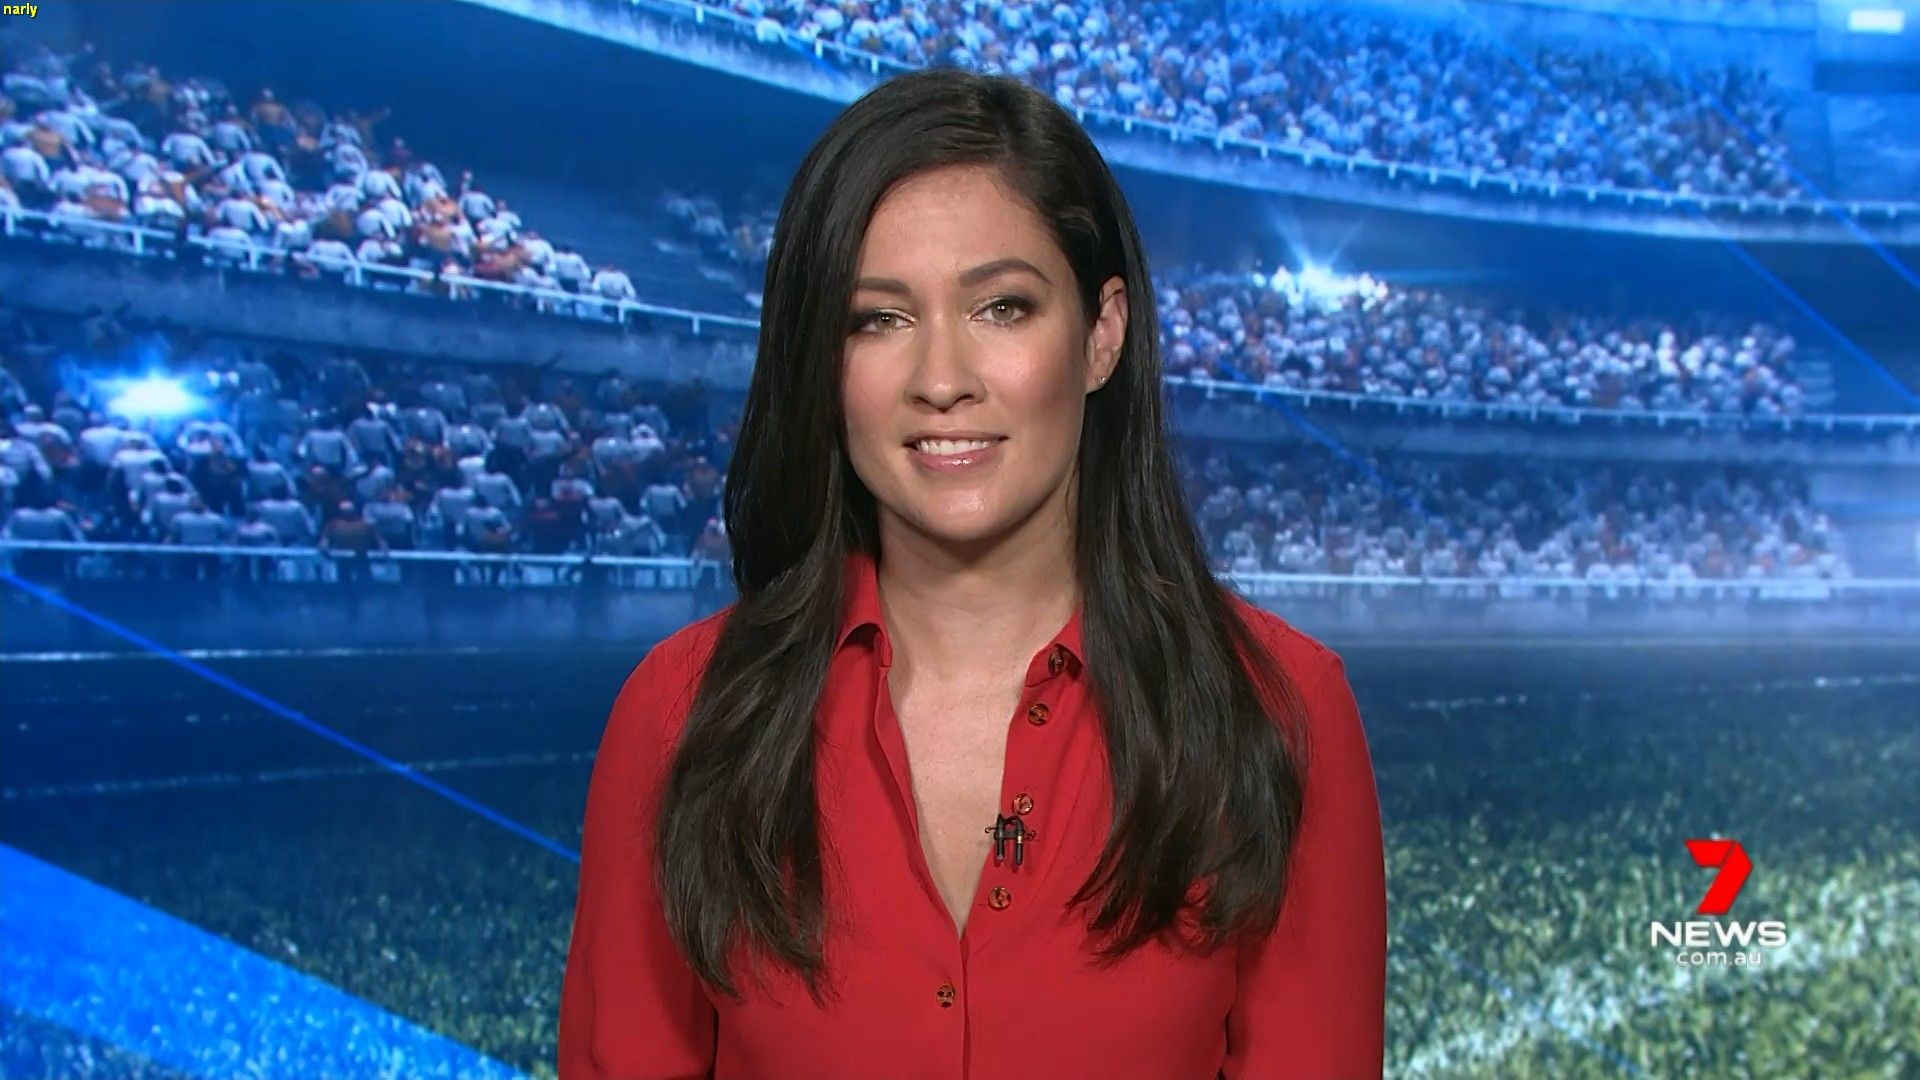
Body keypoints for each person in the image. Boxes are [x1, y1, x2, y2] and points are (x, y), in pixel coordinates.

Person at [559, 68, 1386, 1079]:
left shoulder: (1282, 709)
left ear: (1102, 334)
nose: (942, 380)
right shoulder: (680, 715)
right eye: (877, 319)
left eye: (1002, 307)